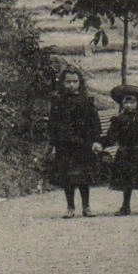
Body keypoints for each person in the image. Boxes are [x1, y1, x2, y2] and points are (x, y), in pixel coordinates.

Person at [95, 84, 138, 216]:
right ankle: (125, 206)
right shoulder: (119, 120)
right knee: (126, 180)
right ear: (122, 103)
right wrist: (101, 144)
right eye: (126, 101)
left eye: (132, 102)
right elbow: (111, 137)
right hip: (125, 153)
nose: (129, 105)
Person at [47, 65, 102, 218]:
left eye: (75, 81)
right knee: (68, 177)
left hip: (83, 144)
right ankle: (70, 207)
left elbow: (94, 122)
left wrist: (96, 140)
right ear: (62, 83)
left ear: (80, 82)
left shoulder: (86, 101)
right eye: (68, 82)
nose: (71, 85)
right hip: (64, 145)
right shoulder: (58, 102)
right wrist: (52, 143)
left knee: (84, 177)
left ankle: (86, 206)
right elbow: (52, 123)